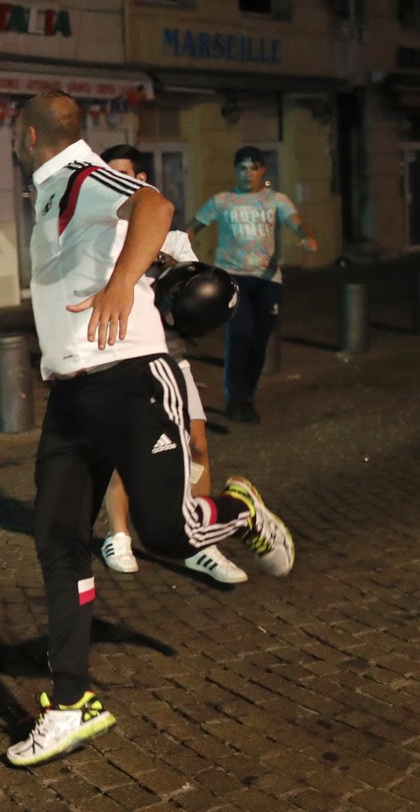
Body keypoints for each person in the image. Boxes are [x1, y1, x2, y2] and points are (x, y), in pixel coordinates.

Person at [6, 92, 294, 768]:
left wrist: (123, 281)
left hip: (133, 382)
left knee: (168, 531)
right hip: (71, 396)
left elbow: (156, 207)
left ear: (26, 133)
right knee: (58, 539)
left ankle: (240, 510)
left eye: (13, 134)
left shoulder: (85, 174)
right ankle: (74, 704)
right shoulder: (51, 192)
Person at [96, 146, 244, 585]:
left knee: (197, 445)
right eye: (108, 176)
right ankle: (118, 535)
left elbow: (197, 285)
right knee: (132, 451)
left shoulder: (172, 237)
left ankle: (200, 541)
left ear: (141, 178)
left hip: (170, 358)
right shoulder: (101, 237)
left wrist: (159, 259)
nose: (113, 183)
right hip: (120, 359)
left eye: (121, 174)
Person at [186, 147, 317, 424]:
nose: (248, 174)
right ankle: (235, 399)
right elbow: (194, 227)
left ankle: (247, 398)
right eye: (242, 168)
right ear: (235, 171)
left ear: (262, 171)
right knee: (241, 334)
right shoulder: (222, 201)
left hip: (267, 280)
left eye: (254, 167)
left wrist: (305, 236)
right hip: (232, 278)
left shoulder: (275, 200)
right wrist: (179, 247)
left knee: (259, 340)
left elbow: (295, 221)